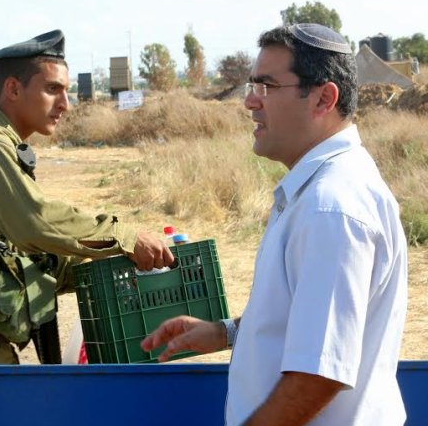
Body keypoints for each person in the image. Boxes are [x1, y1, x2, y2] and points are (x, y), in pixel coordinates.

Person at [0, 29, 175, 426]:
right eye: (53, 90)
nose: (66, 104)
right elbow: (35, 223)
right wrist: (123, 236)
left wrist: (112, 264)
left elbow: (24, 257)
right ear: (12, 88)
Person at [142, 23, 408, 425]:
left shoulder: (331, 207)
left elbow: (318, 374)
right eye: (253, 86)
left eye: (266, 86)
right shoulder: (318, 192)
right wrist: (227, 332)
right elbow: (312, 316)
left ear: (323, 98)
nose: (250, 101)